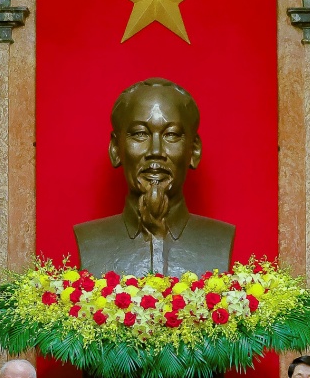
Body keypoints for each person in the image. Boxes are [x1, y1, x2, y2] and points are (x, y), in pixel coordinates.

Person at [74, 77, 235, 277]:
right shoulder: (90, 240)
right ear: (115, 149)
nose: (156, 151)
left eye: (171, 135)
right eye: (140, 134)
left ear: (194, 150)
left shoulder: (219, 240)